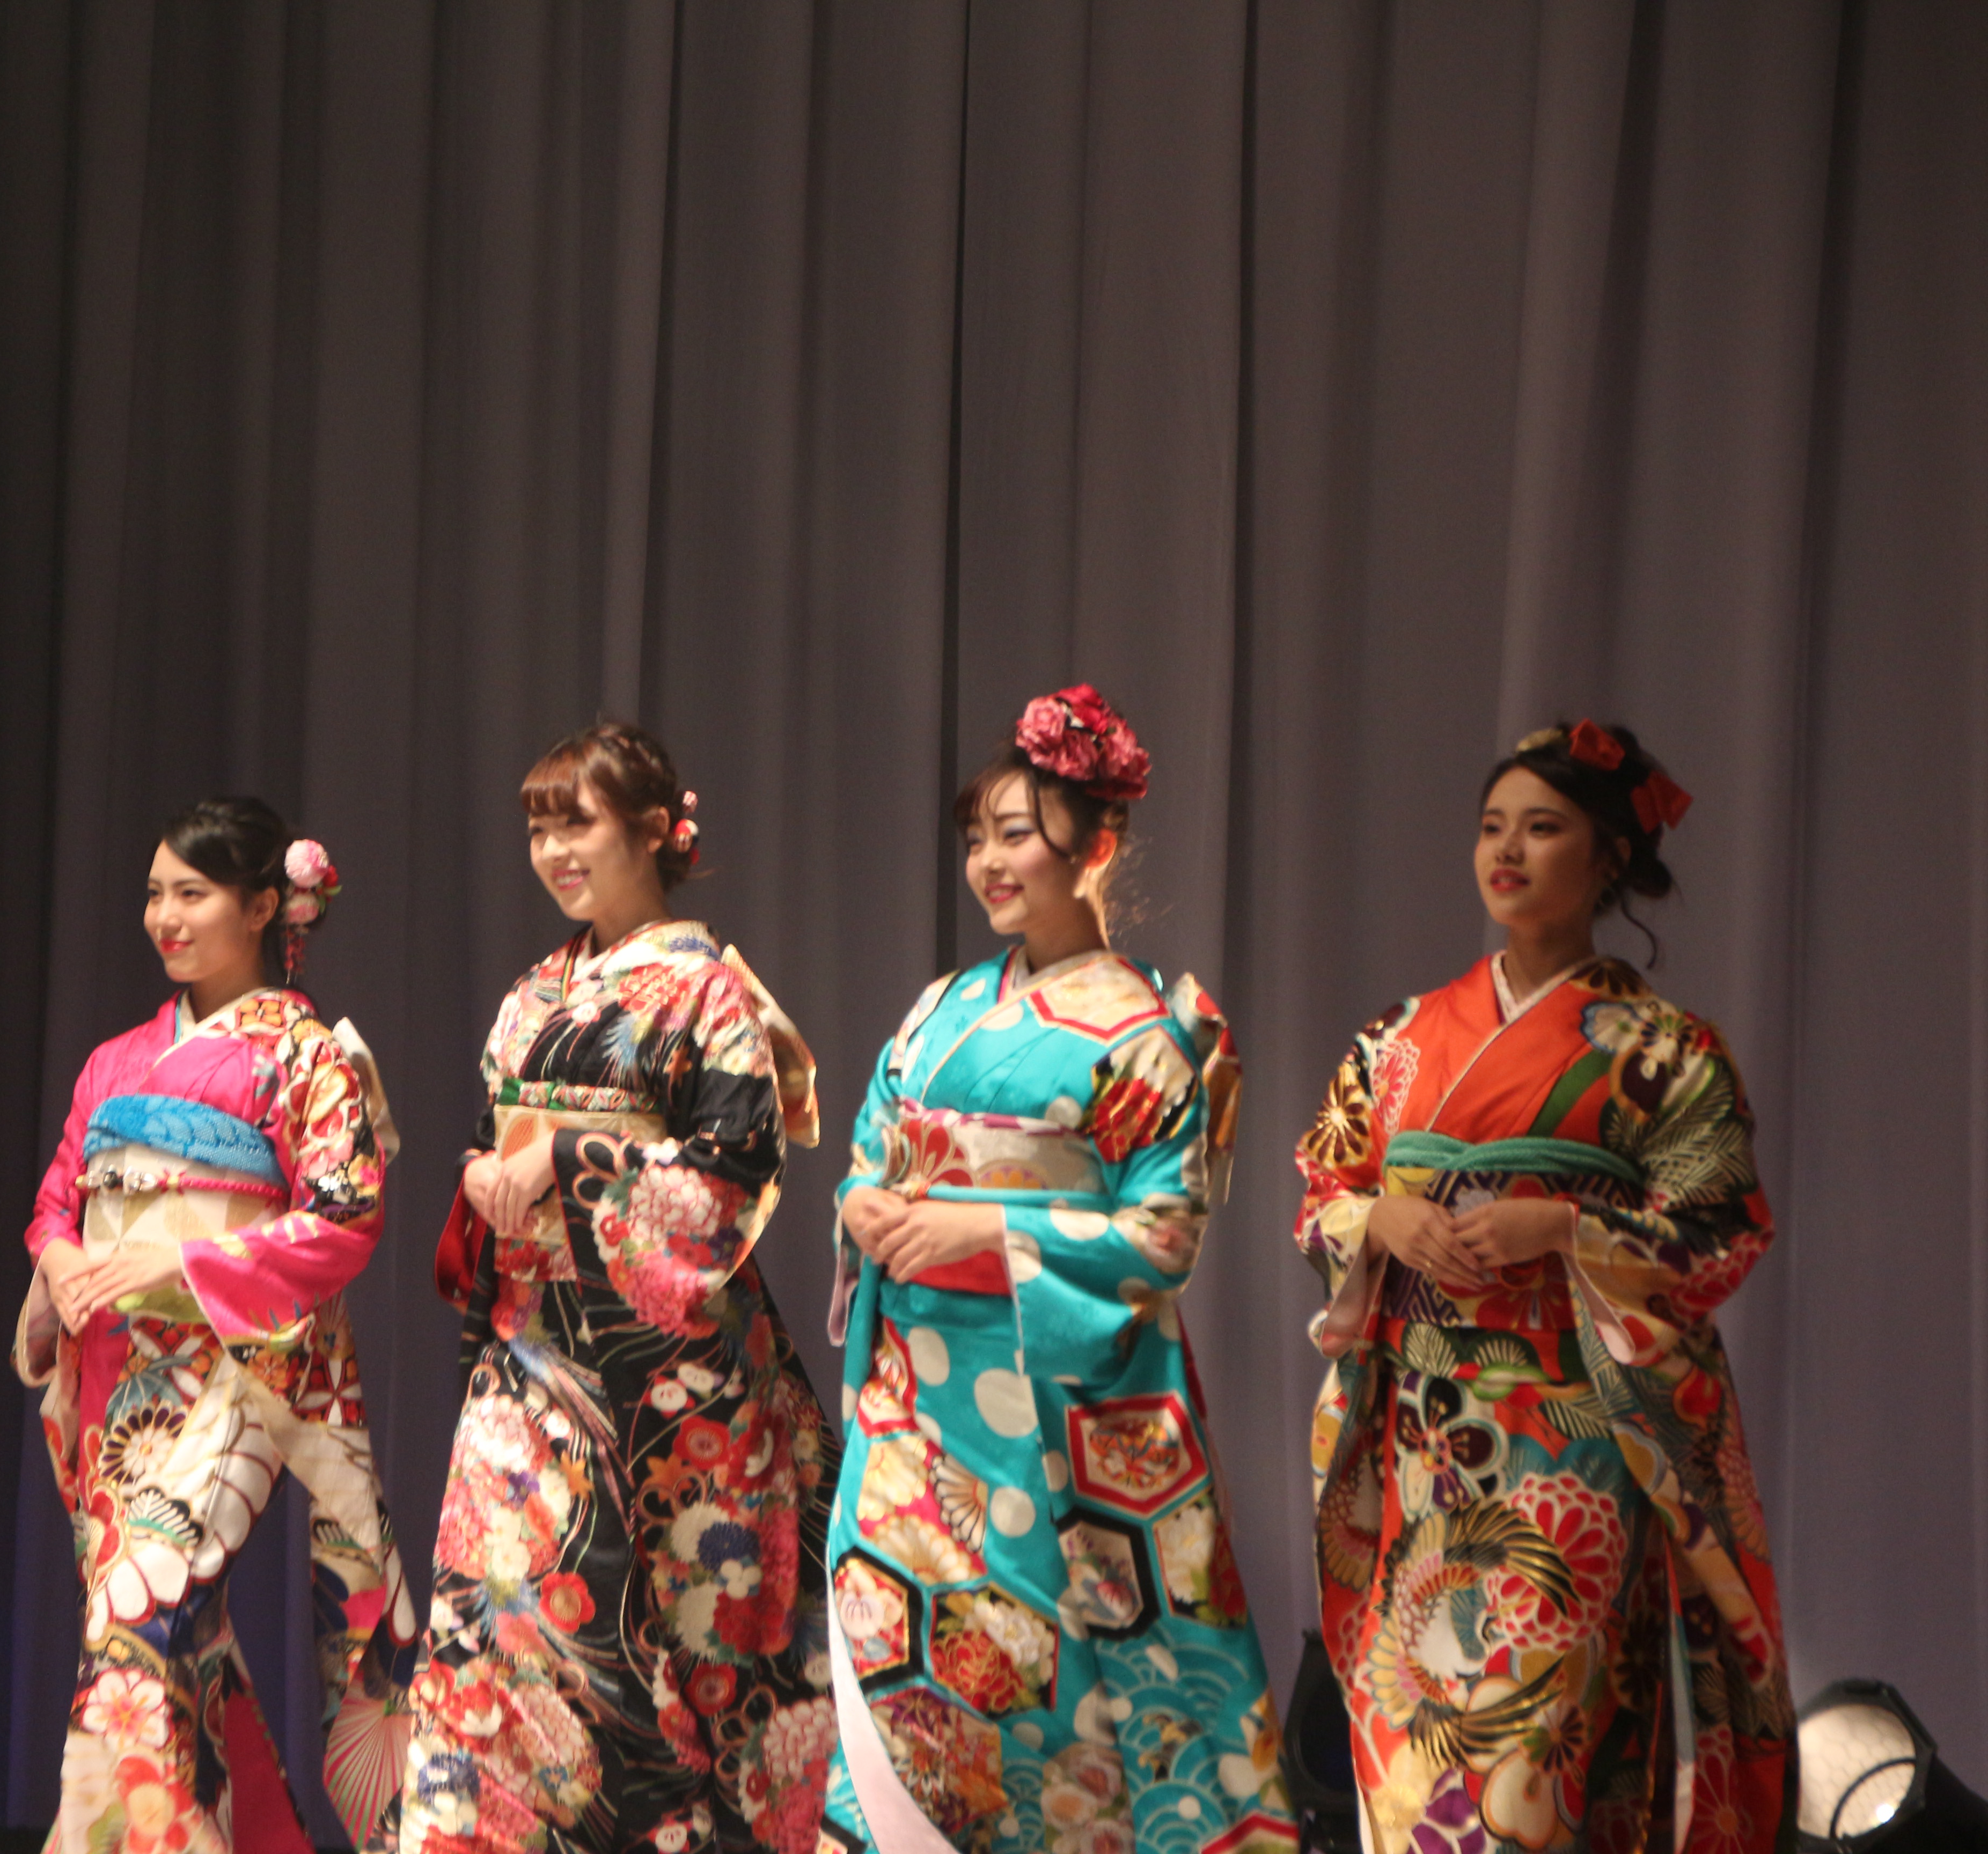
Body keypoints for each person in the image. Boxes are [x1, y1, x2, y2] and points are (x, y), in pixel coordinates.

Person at [1296, 722, 1794, 1852]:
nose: (1507, 850)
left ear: (1610, 856)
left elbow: (1721, 1232)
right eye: (1492, 828)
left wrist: (1566, 1227)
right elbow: (1325, 1185)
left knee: (1539, 1750)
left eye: (1543, 828)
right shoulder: (1399, 1036)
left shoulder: (1668, 1052)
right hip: (1425, 1439)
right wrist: (1380, 1219)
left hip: (1574, 1451)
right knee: (1413, 1744)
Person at [819, 688, 1296, 1854]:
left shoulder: (1145, 1033)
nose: (988, 862)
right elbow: (873, 1154)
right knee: (890, 1644)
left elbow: (1163, 1236)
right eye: (977, 837)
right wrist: (864, 1202)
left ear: (1098, 846)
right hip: (914, 1404)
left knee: (1050, 1684)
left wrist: (986, 1234)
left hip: (1058, 1416)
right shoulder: (938, 1009)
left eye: (1016, 834)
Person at [395, 722, 838, 1854]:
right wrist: (487, 1174)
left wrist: (574, 1158)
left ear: (652, 830)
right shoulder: (532, 994)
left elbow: (735, 1181)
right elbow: (494, 1137)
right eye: (538, 828)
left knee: (686, 1659)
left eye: (576, 823)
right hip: (528, 1363)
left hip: (671, 1387)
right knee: (488, 1633)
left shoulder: (708, 992)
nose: (552, 851)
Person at [17, 798, 417, 1854]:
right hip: (116, 1379)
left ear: (264, 907)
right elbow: (58, 1201)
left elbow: (344, 1218)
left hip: (237, 1372)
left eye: (191, 894)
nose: (165, 917)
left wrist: (181, 1263)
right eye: (155, 894)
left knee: (138, 1620)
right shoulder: (113, 1060)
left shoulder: (309, 1057)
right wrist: (61, 1257)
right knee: (168, 1639)